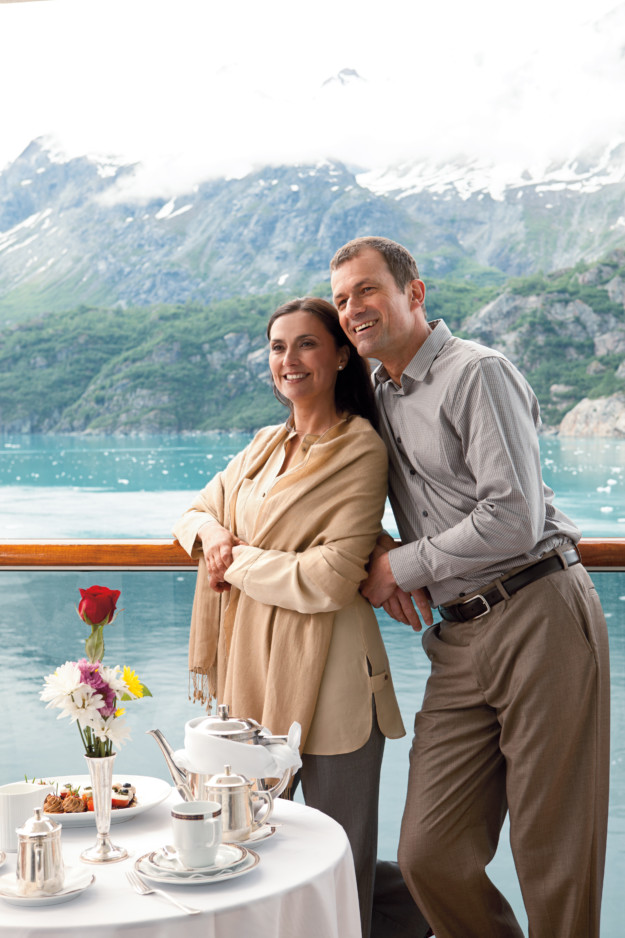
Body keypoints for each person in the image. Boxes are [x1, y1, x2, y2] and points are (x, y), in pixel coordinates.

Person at [330, 236, 611, 938]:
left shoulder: (475, 373)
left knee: (552, 851)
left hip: (538, 610)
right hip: (455, 637)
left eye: (367, 290)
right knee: (429, 854)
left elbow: (512, 518)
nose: (353, 308)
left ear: (413, 293)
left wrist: (400, 566)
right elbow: (326, 475)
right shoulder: (379, 396)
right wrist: (373, 543)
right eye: (340, 300)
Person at [173, 296, 407, 938]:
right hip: (249, 676)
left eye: (306, 344)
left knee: (339, 858)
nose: (290, 360)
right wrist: (214, 534)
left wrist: (236, 558)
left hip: (333, 684)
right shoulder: (260, 446)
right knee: (237, 850)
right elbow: (192, 514)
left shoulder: (361, 450)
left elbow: (330, 579)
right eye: (278, 348)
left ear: (338, 355)